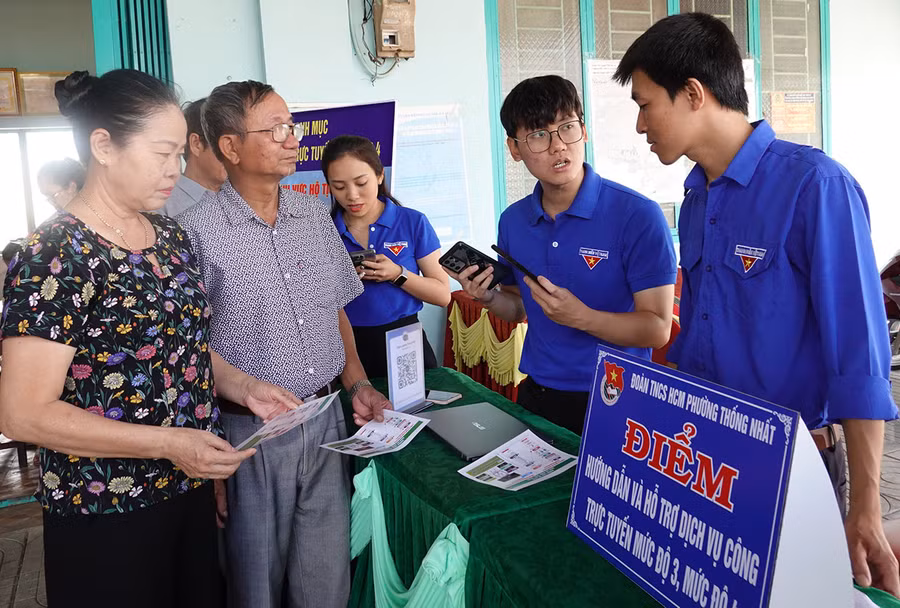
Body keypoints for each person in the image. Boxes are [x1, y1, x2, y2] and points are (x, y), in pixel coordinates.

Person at [614, 12, 900, 596]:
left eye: (645, 104)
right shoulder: (695, 199)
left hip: (795, 467)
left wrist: (866, 507)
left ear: (693, 94)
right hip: (711, 463)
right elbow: (698, 340)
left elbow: (860, 358)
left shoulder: (815, 187)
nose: (640, 124)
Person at [0, 69, 304, 608]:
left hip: (185, 488)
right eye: (162, 153)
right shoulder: (55, 254)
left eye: (180, 155)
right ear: (104, 146)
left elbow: (179, 347)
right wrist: (167, 443)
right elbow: (22, 413)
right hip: (105, 509)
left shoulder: (168, 235)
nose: (176, 170)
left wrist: (242, 387)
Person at [177, 80, 392, 608]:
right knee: (256, 587)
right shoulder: (192, 233)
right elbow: (186, 349)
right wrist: (209, 452)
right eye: (276, 129)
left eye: (291, 126)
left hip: (324, 417)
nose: (292, 138)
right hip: (248, 435)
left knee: (325, 582)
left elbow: (335, 306)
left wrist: (357, 382)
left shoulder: (315, 216)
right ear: (230, 147)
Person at [450, 75, 676, 435]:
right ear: (514, 148)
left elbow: (657, 329)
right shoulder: (514, 221)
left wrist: (582, 317)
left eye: (567, 127)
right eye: (539, 135)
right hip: (539, 394)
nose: (558, 146)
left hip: (617, 398)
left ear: (583, 131)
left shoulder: (637, 214)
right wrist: (489, 296)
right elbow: (519, 307)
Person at [322, 135, 450, 378]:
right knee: (356, 414)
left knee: (415, 413)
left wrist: (398, 275)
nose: (352, 195)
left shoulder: (412, 222)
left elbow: (443, 294)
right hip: (347, 348)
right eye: (339, 187)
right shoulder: (323, 231)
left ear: (380, 175)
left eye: (361, 183)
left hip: (404, 339)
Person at [162, 98, 227, 217]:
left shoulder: (243, 198)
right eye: (226, 144)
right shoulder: (162, 204)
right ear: (197, 144)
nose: (235, 155)